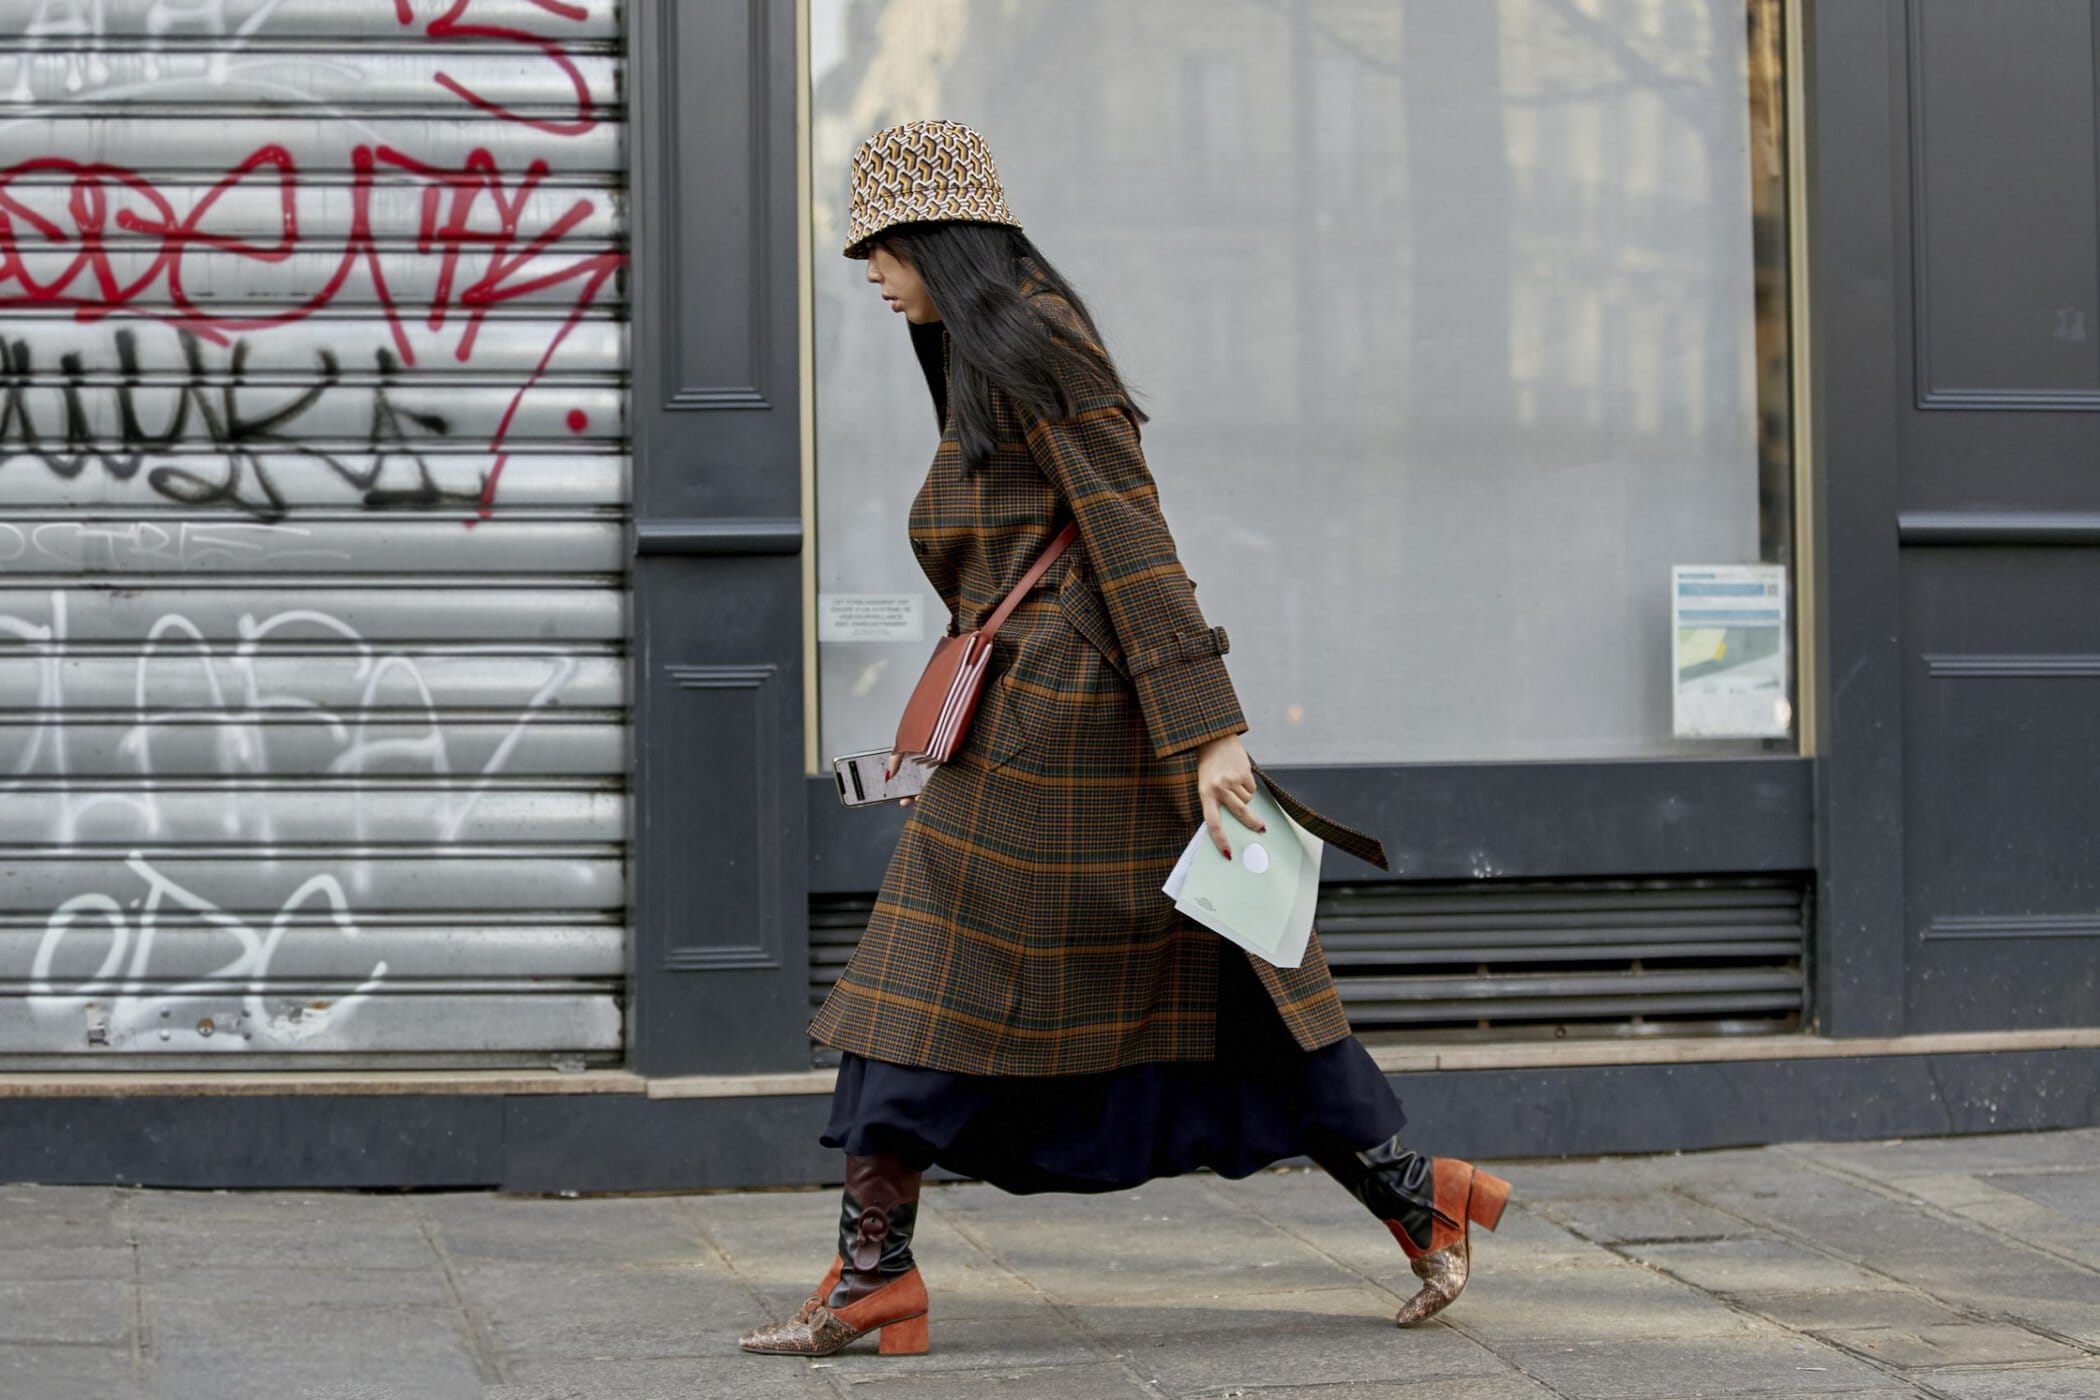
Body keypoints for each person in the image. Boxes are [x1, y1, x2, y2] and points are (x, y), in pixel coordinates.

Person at [738, 118, 1507, 1360]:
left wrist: (1212, 733)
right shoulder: (985, 347)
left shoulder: (1037, 335)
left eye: (880, 248)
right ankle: (1422, 1196)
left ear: (936, 235)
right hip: (1037, 713)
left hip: (1069, 722)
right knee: (1219, 974)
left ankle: (874, 1275)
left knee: (927, 975)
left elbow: (1131, 529)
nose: (870, 275)